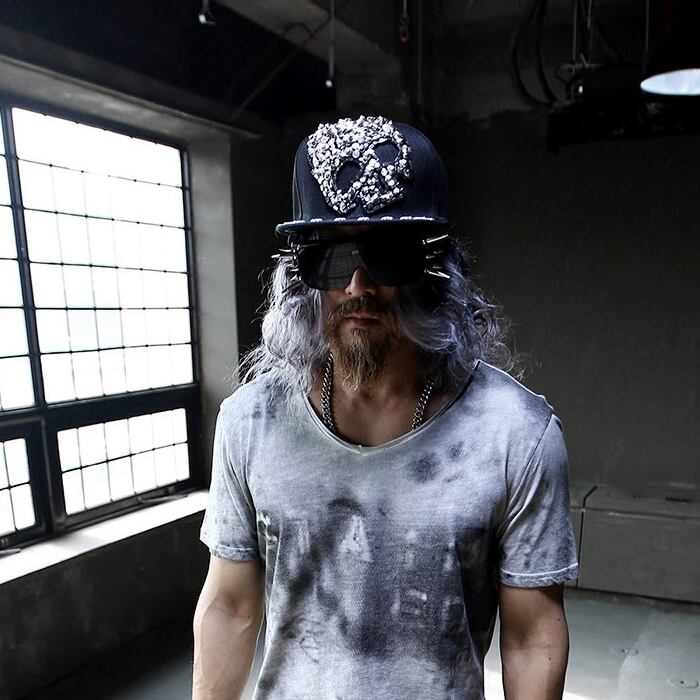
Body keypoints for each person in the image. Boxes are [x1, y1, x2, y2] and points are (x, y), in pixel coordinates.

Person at [193, 115, 579, 700]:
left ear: (433, 269)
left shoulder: (516, 435)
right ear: (300, 275)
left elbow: (531, 636)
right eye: (332, 257)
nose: (358, 284)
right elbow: (230, 605)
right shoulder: (249, 422)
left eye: (385, 255)